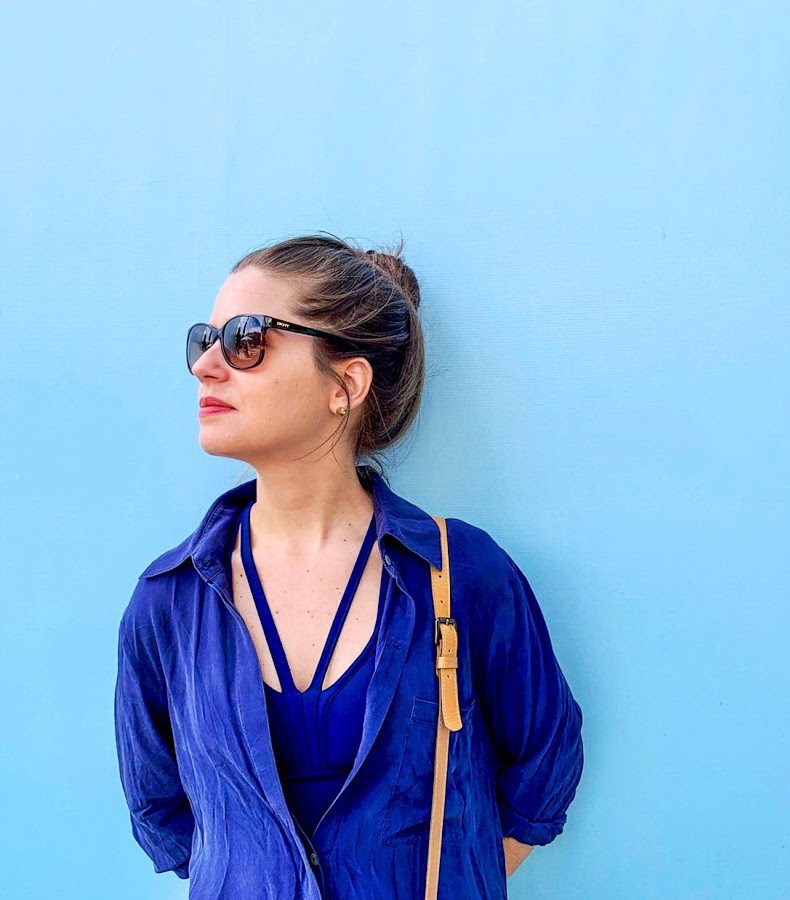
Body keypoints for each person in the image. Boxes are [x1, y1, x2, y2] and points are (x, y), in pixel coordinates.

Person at [113, 233, 584, 899]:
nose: (207, 367)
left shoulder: (462, 574)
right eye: (204, 341)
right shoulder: (170, 601)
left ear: (347, 383)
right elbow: (159, 808)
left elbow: (543, 771)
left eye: (246, 340)